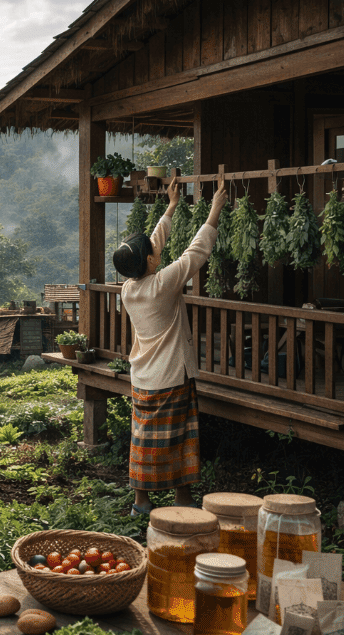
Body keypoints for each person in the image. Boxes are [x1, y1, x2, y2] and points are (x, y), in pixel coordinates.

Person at [112, 176, 228, 517]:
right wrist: (216, 208)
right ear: (150, 262)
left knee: (143, 443)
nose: (156, 251)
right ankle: (183, 500)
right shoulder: (163, 284)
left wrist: (172, 206)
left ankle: (142, 504)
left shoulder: (129, 288)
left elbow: (153, 246)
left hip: (144, 379)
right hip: (172, 377)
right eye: (152, 254)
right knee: (179, 442)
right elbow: (196, 251)